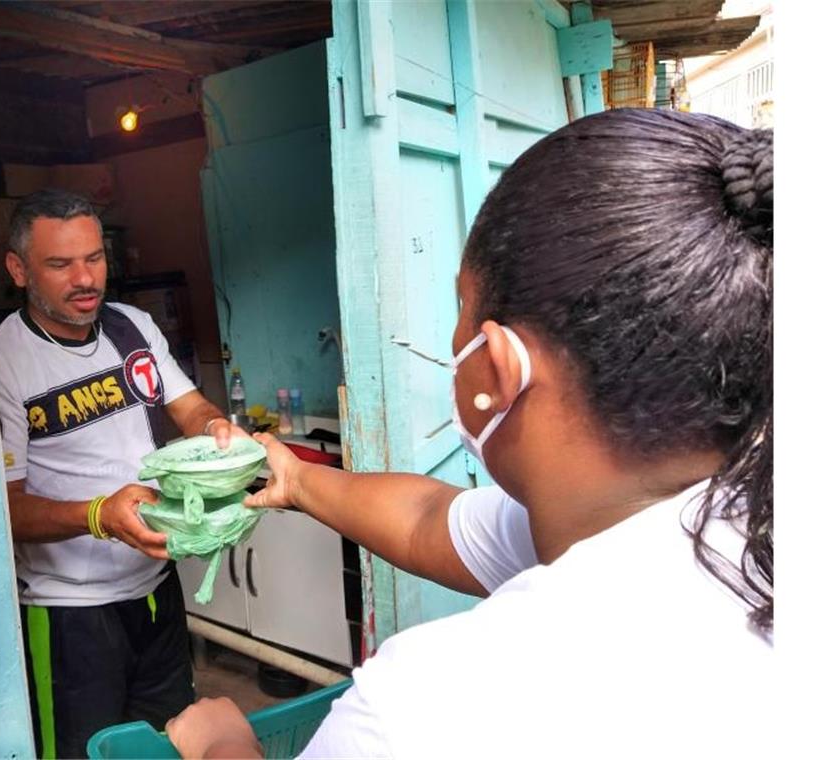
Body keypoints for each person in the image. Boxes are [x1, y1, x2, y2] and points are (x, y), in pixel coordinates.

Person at [165, 109, 773, 758]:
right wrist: (298, 478)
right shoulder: (722, 518)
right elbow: (429, 517)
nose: (456, 335)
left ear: (496, 367)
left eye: (463, 306)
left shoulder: (425, 709)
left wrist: (223, 747)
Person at [0, 189, 244, 758]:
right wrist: (99, 516)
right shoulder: (0, 361)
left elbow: (192, 409)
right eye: (60, 264)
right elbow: (1, 509)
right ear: (18, 268)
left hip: (156, 591)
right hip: (69, 617)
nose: (85, 279)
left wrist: (220, 434)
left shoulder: (132, 327)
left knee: (173, 743)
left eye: (94, 258)